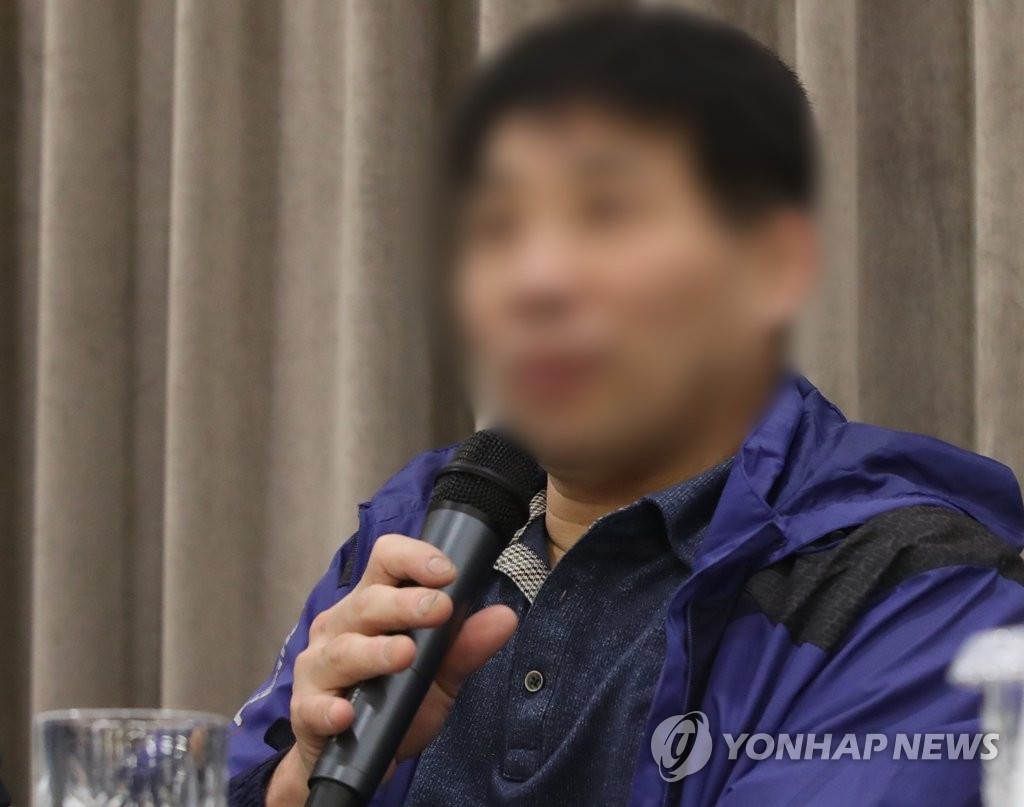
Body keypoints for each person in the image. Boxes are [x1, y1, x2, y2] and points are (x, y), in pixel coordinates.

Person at [227, 8, 1024, 806]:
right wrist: (298, 782)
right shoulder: (415, 530)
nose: (534, 281)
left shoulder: (916, 589)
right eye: (496, 227)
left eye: (607, 213)